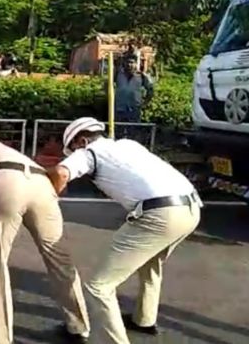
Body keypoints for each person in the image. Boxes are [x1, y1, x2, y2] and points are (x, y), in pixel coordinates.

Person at [47, 117, 202, 344]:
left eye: (70, 150)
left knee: (98, 287)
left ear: (81, 141)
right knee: (151, 265)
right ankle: (144, 319)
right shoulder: (129, 145)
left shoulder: (88, 153)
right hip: (191, 208)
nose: (71, 155)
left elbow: (61, 173)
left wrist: (49, 203)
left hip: (159, 215)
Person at [0, 138, 90, 344]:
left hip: (4, 182)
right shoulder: (13, 153)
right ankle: (79, 327)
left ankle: (0, 338)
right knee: (60, 261)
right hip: (41, 184)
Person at [114, 53, 154, 123]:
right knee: (119, 130)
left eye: (132, 63)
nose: (129, 65)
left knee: (133, 131)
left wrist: (145, 103)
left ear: (136, 64)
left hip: (134, 110)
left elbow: (150, 89)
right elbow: (107, 85)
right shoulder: (118, 74)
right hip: (119, 109)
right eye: (127, 62)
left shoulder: (141, 76)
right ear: (124, 63)